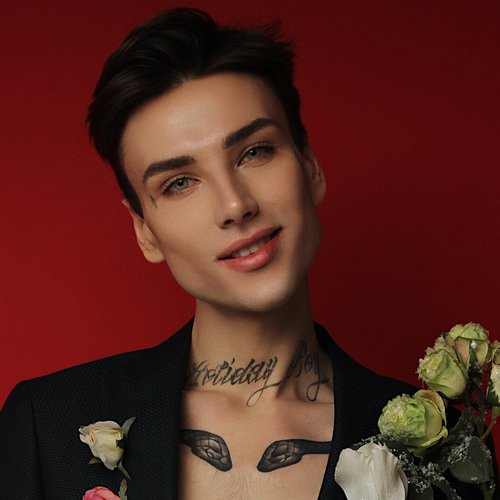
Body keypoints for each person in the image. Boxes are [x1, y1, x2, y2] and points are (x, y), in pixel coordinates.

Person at [0, 7, 488, 500]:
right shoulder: (46, 426)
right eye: (179, 183)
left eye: (254, 152)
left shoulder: (446, 451)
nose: (235, 205)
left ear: (310, 166)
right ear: (144, 230)